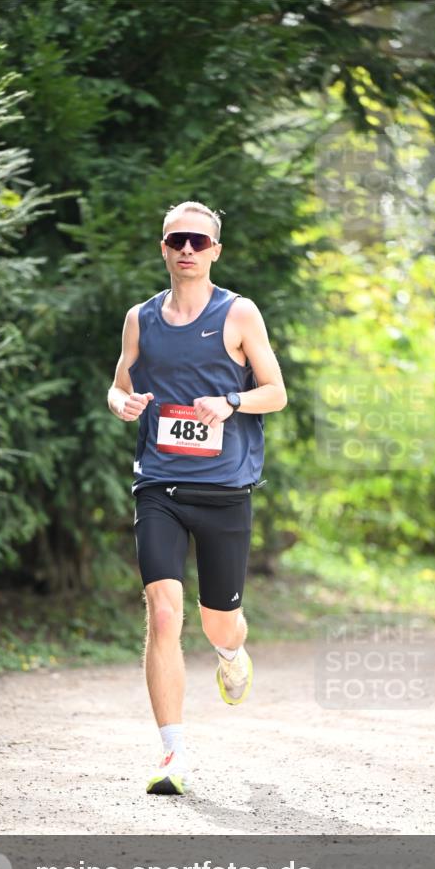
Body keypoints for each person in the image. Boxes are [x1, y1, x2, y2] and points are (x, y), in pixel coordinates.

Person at [107, 200, 287, 795]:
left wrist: (231, 402)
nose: (187, 249)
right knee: (162, 612)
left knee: (220, 624)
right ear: (163, 247)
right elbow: (120, 383)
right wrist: (121, 403)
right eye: (176, 240)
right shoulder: (141, 318)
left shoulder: (238, 314)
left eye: (198, 241)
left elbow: (276, 393)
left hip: (224, 490)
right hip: (158, 483)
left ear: (215, 251)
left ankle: (232, 654)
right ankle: (172, 755)